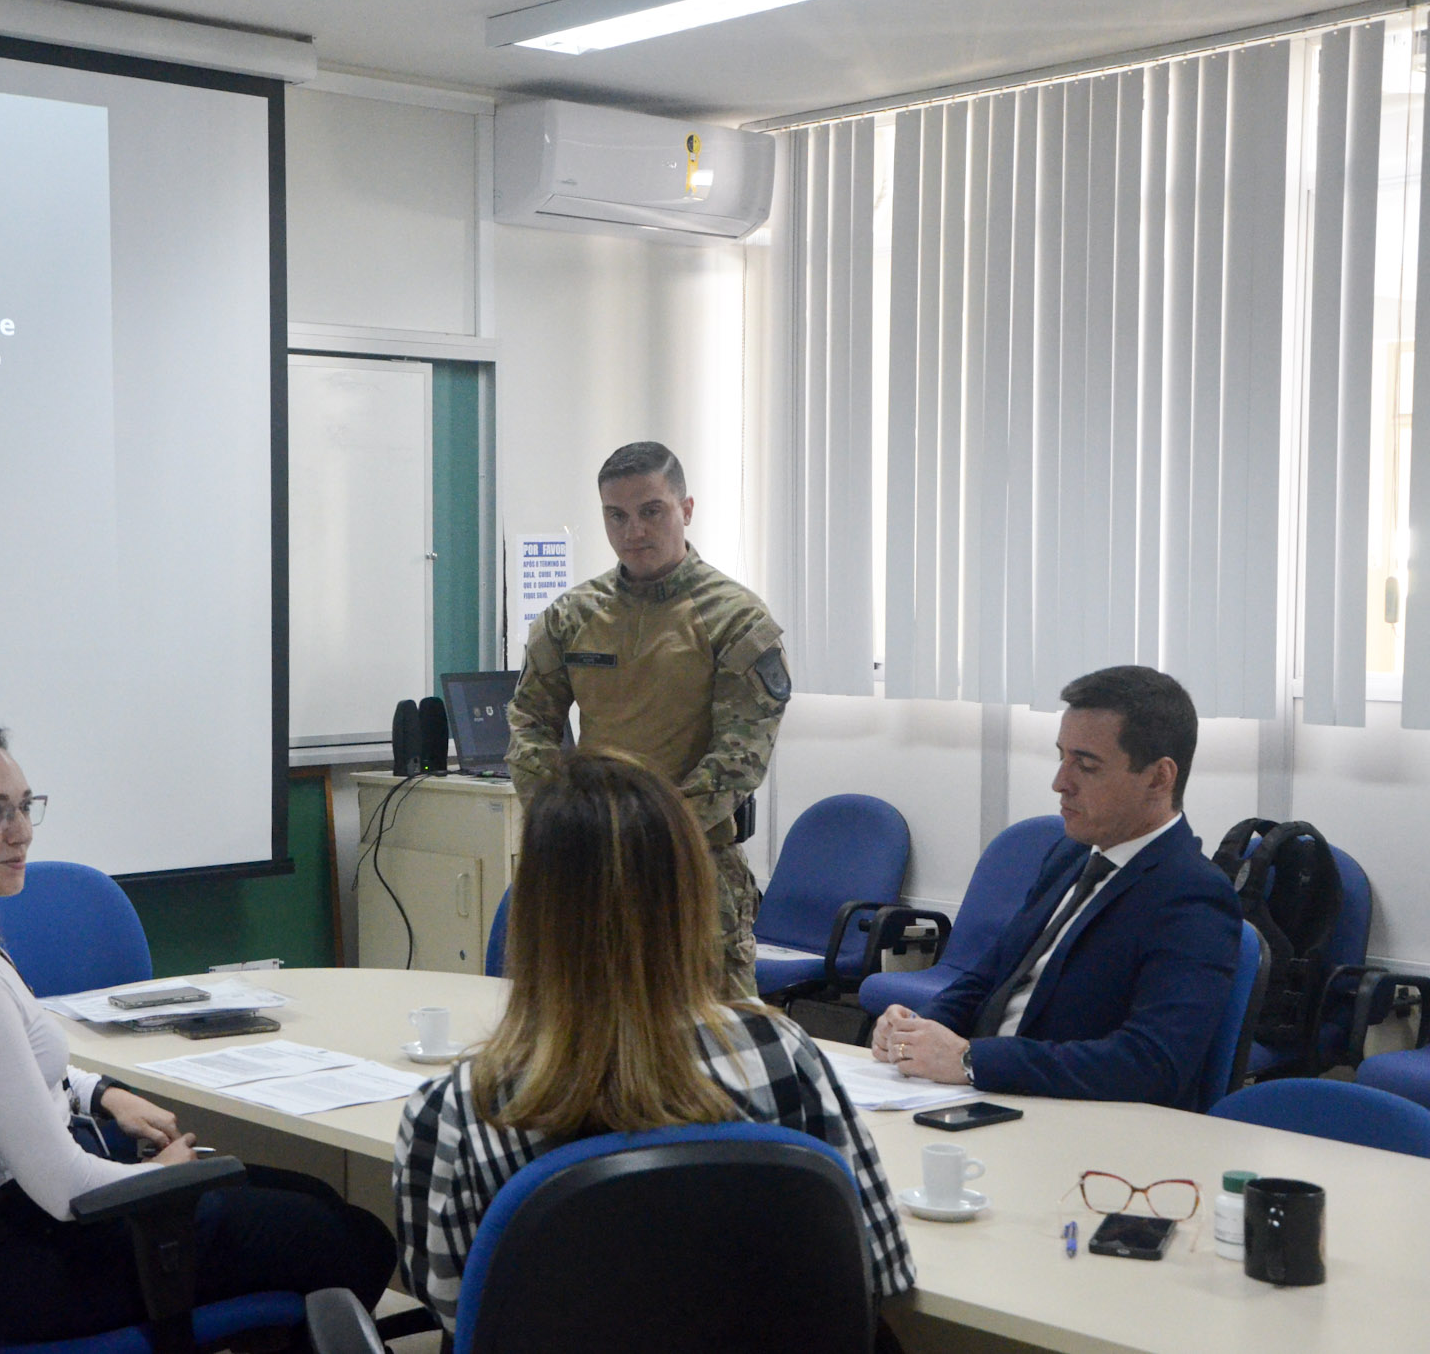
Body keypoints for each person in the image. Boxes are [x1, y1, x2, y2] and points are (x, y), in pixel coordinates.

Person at [0, 723, 394, 1344]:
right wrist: (163, 1176)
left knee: (314, 1197)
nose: (21, 832)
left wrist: (103, 1093)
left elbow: (6, 1067)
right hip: (43, 1262)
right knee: (353, 1239)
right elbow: (63, 1187)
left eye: (24, 806)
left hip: (7, 1241)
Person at [394, 750, 914, 1336]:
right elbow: (877, 1267)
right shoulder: (782, 1056)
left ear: (531, 912)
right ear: (692, 899)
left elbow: (458, 1312)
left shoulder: (462, 1110)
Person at [870, 666, 1243, 1110]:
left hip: (1077, 1120)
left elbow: (1152, 1063)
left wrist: (971, 1060)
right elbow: (990, 978)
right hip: (989, 1095)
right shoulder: (1070, 855)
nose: (1060, 783)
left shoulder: (1193, 895)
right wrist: (918, 1029)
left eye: (1086, 765)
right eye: (1062, 757)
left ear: (1159, 778)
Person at [506, 440, 788, 1000]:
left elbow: (738, 759)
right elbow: (529, 724)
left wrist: (649, 836)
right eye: (616, 515)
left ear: (686, 509)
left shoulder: (735, 619)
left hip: (692, 866)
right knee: (586, 1024)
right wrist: (562, 820)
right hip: (590, 864)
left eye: (651, 511)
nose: (633, 531)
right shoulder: (571, 617)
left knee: (716, 1033)